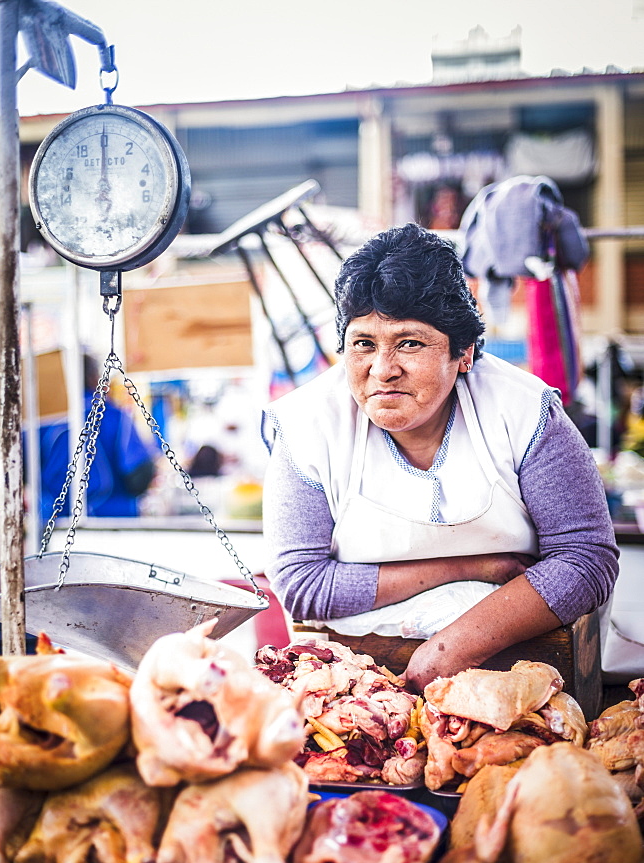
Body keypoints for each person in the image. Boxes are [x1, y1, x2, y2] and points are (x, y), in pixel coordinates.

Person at [261, 223, 619, 692]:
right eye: (363, 343)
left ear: (463, 353)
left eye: (409, 342)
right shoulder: (309, 427)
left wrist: (452, 648)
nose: (383, 370)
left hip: (535, 673)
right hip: (355, 684)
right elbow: (301, 586)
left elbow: (586, 558)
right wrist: (468, 568)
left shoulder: (524, 411)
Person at [38, 356, 157, 520]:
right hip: (113, 521)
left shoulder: (42, 422)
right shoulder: (114, 416)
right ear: (93, 377)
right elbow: (139, 474)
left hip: (54, 523)